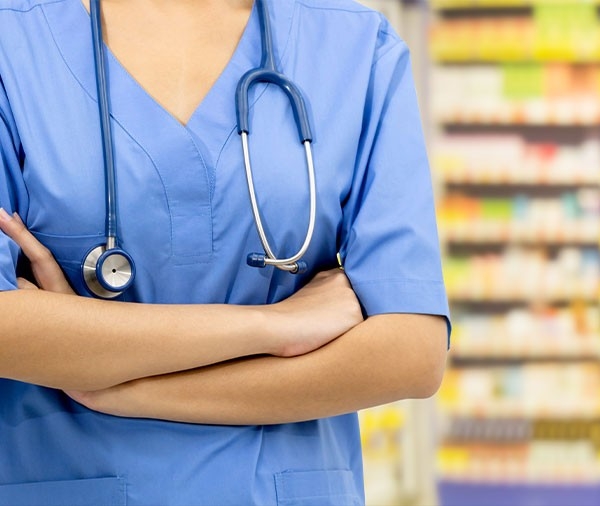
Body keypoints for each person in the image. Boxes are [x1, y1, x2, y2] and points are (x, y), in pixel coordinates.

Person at [0, 0, 449, 504]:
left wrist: (119, 388)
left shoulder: (354, 44)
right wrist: (276, 326)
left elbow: (411, 352)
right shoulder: (14, 43)